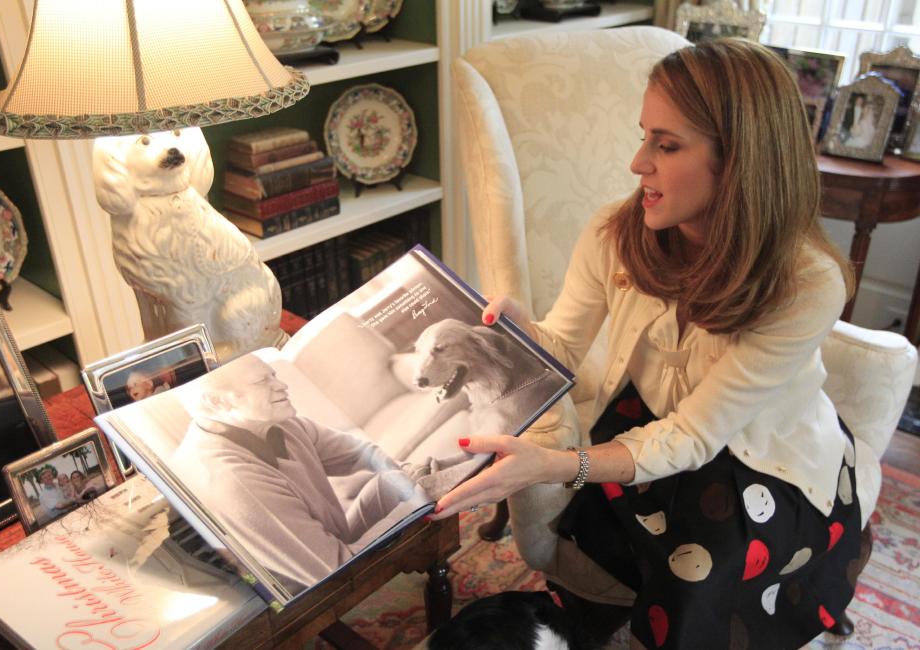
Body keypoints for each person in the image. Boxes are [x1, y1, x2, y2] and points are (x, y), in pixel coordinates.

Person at [433, 38, 861, 650]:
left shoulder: (806, 280)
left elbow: (695, 436)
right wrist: (523, 330)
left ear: (740, 159)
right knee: (601, 531)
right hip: (659, 423)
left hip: (764, 457)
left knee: (703, 571)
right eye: (645, 137)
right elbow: (563, 347)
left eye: (666, 145)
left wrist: (559, 464)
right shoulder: (617, 231)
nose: (638, 163)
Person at [169, 353, 432, 597]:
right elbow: (335, 571)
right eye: (263, 381)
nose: (282, 385)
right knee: (423, 495)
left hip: (328, 547)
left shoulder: (277, 422)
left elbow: (360, 453)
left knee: (402, 481)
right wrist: (414, 504)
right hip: (295, 592)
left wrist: (407, 476)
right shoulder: (229, 480)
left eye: (274, 375)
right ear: (216, 402)